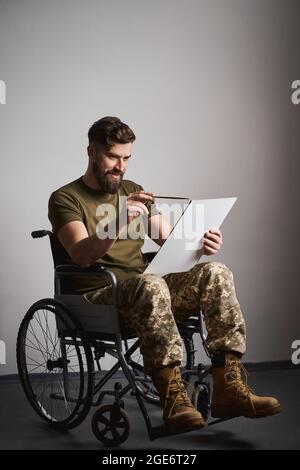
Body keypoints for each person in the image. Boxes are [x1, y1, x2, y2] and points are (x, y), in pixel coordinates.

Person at [48, 116, 281, 434]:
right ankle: (174, 399)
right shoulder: (65, 198)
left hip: (145, 290)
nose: (121, 167)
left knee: (215, 271)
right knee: (150, 282)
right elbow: (81, 254)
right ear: (91, 152)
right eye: (113, 157)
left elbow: (172, 244)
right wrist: (118, 219)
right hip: (98, 296)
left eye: (127, 158)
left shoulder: (134, 190)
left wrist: (201, 245)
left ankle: (229, 388)